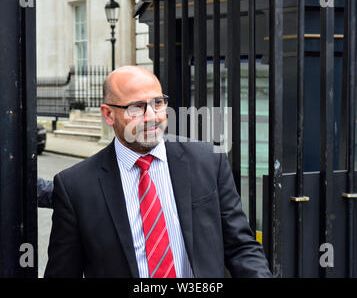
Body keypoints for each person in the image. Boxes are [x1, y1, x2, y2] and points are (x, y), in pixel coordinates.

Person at [45, 66, 272, 278]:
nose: (152, 116)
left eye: (158, 103)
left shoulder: (208, 161)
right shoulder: (75, 187)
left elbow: (241, 247)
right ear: (108, 114)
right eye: (136, 108)